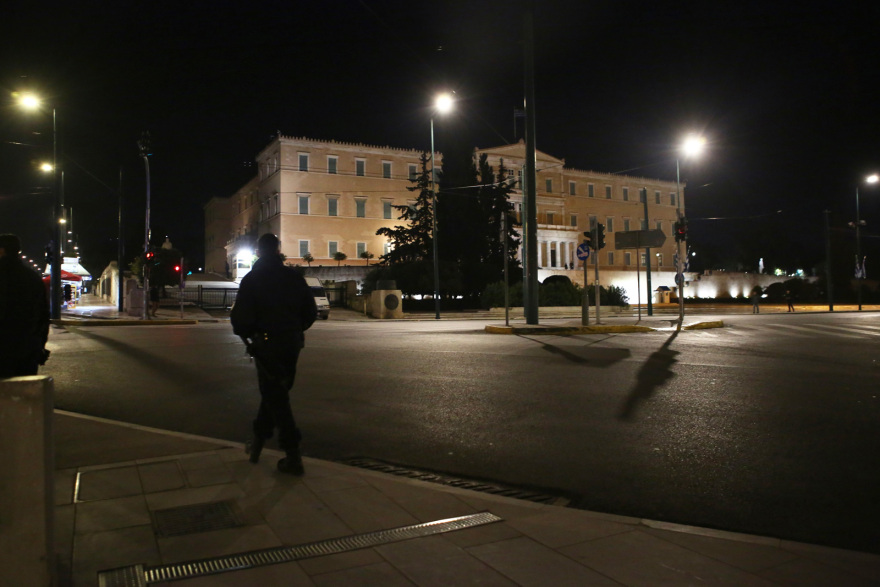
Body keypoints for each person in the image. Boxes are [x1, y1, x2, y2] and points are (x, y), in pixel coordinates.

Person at [231, 233, 317, 475]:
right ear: (278, 250)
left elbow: (240, 319)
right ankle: (257, 445)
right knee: (276, 393)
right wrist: (294, 329)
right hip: (291, 343)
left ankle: (293, 454)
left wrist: (250, 334)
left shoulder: (252, 279)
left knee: (276, 396)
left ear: (259, 252)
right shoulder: (294, 277)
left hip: (266, 344)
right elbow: (310, 312)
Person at [0, 234, 50, 378]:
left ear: (2, 250)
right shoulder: (33, 278)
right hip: (27, 350)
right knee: (24, 388)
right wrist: (39, 346)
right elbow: (43, 316)